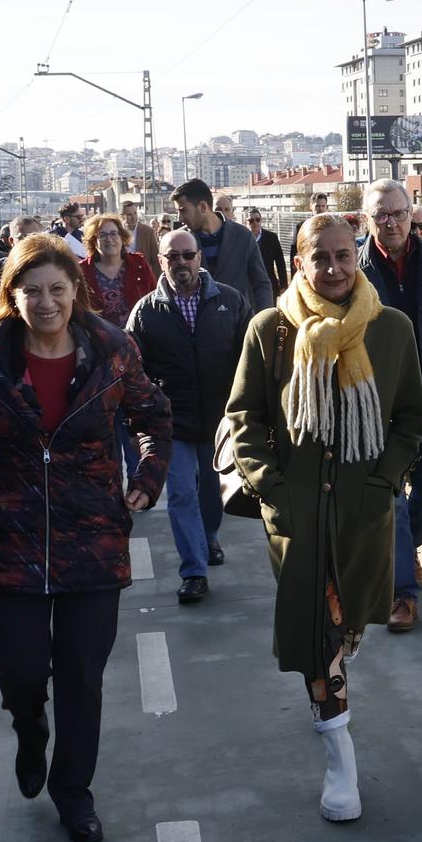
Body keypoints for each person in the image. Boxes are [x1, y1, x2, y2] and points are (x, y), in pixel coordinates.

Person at [0, 234, 173, 842]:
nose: (47, 302)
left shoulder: (111, 350)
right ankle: (30, 731)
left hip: (94, 542)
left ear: (76, 292)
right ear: (13, 296)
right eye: (32, 291)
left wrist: (147, 478)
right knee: (22, 670)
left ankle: (73, 790)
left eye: (57, 289)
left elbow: (154, 418)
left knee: (82, 674)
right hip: (10, 544)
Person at [225, 214, 422, 822]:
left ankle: (331, 701)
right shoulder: (271, 330)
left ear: (357, 257)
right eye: (321, 258)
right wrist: (273, 491)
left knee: (348, 628)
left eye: (344, 256)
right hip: (298, 516)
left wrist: (383, 480)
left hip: (364, 512)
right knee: (319, 635)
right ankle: (339, 754)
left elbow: (411, 416)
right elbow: (245, 418)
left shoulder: (392, 330)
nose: (335, 269)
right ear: (298, 263)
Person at [357, 179, 422, 632]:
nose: (391, 221)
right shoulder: (354, 269)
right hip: (376, 405)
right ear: (367, 219)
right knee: (389, 498)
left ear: (411, 213)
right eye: (381, 214)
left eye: (398, 213)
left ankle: (405, 548)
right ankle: (402, 592)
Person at [127, 227, 247, 603]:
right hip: (171, 421)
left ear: (200, 258)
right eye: (172, 257)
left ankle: (208, 536)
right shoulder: (146, 310)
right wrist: (139, 415)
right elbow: (131, 368)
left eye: (187, 255)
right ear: (160, 261)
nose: (180, 263)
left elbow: (252, 357)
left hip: (219, 420)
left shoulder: (231, 301)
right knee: (181, 493)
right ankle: (193, 571)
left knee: (212, 493)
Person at [172, 178, 273, 317]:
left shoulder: (243, 236)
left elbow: (261, 283)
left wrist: (264, 322)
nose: (180, 218)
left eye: (183, 210)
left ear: (202, 207)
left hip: (239, 326)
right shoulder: (180, 241)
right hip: (197, 328)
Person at [78, 213, 157, 328]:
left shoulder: (139, 264)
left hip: (139, 336)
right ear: (94, 241)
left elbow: (154, 297)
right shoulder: (82, 270)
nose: (109, 239)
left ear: (122, 237)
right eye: (102, 235)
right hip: (99, 340)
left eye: (114, 234)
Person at [246, 206, 288, 294]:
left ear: (261, 220)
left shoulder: (272, 237)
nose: (255, 223)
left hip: (269, 285)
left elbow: (280, 261)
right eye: (251, 220)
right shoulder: (242, 239)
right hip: (249, 286)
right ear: (246, 222)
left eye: (257, 219)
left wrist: (283, 284)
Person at [118, 196, 160, 263]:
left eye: (135, 213)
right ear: (122, 216)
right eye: (129, 215)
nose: (133, 217)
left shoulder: (148, 232)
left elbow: (155, 259)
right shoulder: (117, 232)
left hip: (143, 271)